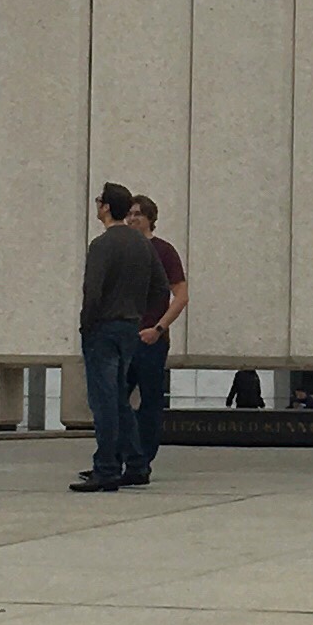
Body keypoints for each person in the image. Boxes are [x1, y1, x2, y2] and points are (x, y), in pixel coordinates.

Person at [72, 184, 169, 491]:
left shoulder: (102, 245)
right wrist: (139, 313)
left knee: (103, 400)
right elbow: (161, 287)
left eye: (99, 201)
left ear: (106, 207)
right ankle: (137, 464)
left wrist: (86, 325)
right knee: (118, 399)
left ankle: (107, 468)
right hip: (130, 328)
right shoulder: (143, 245)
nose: (97, 205)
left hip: (103, 328)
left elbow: (92, 291)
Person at [126, 195, 188, 486]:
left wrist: (159, 328)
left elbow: (181, 296)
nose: (132, 218)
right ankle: (114, 459)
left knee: (150, 402)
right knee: (113, 400)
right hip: (122, 337)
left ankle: (142, 462)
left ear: (151, 218)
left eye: (138, 214)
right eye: (129, 214)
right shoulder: (123, 249)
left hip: (151, 339)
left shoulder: (164, 251)